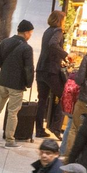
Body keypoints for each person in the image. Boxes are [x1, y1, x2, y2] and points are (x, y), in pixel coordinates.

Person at [0, 20, 36, 147]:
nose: (30, 35)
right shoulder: (27, 48)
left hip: (2, 81)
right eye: (30, 33)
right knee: (13, 112)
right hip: (16, 85)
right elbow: (29, 69)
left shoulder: (5, 42)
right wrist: (29, 83)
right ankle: (9, 140)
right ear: (26, 33)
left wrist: (6, 68)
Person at [36, 11, 68, 140]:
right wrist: (66, 55)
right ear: (60, 20)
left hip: (41, 69)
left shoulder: (47, 31)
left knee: (42, 100)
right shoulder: (58, 31)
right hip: (51, 71)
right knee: (64, 96)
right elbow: (53, 45)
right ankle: (55, 126)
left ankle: (39, 129)